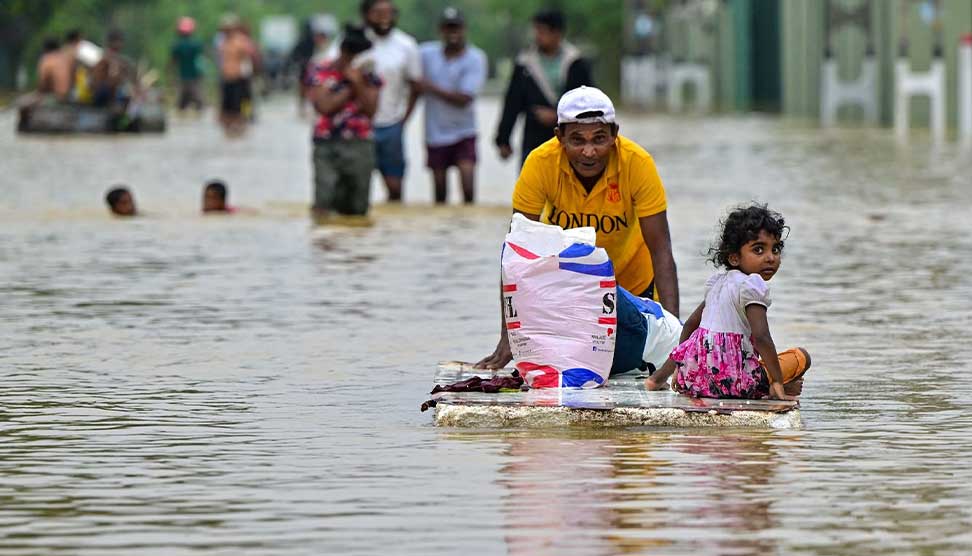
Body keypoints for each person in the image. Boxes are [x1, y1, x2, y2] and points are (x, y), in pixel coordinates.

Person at [477, 86, 679, 371]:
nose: (589, 152)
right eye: (577, 140)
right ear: (559, 137)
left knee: (620, 360)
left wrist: (676, 341)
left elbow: (661, 250)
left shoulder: (638, 163)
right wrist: (510, 337)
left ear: (614, 134)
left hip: (633, 291)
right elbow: (517, 256)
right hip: (569, 289)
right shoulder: (539, 163)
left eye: (599, 139)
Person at [646, 204, 811, 400]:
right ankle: (776, 386)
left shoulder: (717, 282)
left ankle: (655, 380)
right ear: (734, 257)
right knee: (801, 357)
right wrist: (776, 381)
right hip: (734, 383)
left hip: (695, 380)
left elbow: (690, 325)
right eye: (758, 250)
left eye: (775, 249)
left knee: (711, 345)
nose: (770, 258)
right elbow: (761, 337)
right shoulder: (752, 285)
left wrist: (681, 367)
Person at [495, 9, 594, 165]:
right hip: (534, 137)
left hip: (571, 139)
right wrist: (503, 140)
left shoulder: (575, 63)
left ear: (557, 33)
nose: (537, 36)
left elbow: (589, 102)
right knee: (531, 184)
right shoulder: (525, 63)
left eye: (542, 31)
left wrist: (558, 115)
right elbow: (512, 103)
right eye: (536, 31)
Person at [306, 24, 381, 219]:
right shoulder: (321, 70)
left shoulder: (369, 76)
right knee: (324, 199)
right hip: (326, 143)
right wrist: (350, 86)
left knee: (357, 207)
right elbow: (325, 107)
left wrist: (358, 82)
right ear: (343, 51)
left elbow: (371, 110)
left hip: (360, 143)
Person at [418, 8, 487, 204]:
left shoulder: (475, 58)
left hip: (464, 132)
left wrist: (429, 86)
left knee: (468, 190)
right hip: (435, 133)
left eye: (456, 28)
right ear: (441, 30)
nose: (453, 33)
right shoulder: (426, 54)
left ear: (464, 29)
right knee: (439, 194)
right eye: (448, 28)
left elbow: (465, 98)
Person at [360, 0, 422, 202]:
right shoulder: (354, 41)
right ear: (367, 14)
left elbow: (416, 86)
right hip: (359, 125)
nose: (384, 18)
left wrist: (404, 120)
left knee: (395, 189)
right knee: (358, 188)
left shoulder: (407, 45)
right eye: (378, 13)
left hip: (392, 124)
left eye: (389, 13)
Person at [218, 18, 260, 135]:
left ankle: (243, 121)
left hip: (240, 77)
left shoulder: (242, 42)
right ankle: (230, 126)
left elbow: (252, 57)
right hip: (227, 78)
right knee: (228, 104)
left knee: (241, 102)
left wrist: (253, 72)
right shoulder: (223, 43)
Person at [91, 29, 134, 109]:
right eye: (120, 41)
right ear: (113, 42)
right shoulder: (108, 58)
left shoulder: (112, 57)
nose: (122, 44)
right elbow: (113, 76)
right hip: (102, 94)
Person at [170, 17, 205, 112]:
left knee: (181, 102)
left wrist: (170, 75)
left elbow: (173, 62)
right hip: (195, 76)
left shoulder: (177, 45)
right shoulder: (196, 44)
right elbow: (201, 60)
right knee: (198, 100)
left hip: (182, 76)